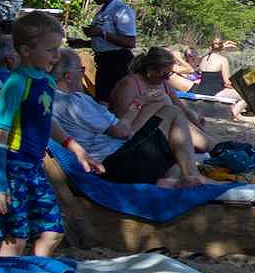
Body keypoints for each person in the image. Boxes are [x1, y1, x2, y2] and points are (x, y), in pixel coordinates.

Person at [0, 11, 99, 257]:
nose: (57, 56)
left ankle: (35, 270)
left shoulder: (46, 82)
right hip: (14, 166)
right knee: (16, 236)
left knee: (53, 230)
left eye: (58, 49)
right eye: (50, 50)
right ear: (25, 50)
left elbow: (47, 123)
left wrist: (75, 147)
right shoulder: (16, 84)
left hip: (35, 167)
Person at [52, 49, 205, 186]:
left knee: (178, 153)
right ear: (68, 76)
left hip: (113, 155)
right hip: (115, 162)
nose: (83, 73)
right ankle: (193, 177)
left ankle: (173, 181)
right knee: (172, 112)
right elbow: (122, 132)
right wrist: (139, 104)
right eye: (81, 69)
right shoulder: (75, 102)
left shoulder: (52, 99)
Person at [108, 48, 214, 154]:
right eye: (165, 75)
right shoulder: (129, 85)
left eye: (169, 75)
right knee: (166, 103)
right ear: (151, 70)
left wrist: (202, 131)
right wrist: (143, 103)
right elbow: (121, 124)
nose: (167, 79)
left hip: (159, 130)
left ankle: (214, 147)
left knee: (191, 115)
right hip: (135, 136)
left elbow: (183, 109)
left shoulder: (162, 83)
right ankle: (215, 148)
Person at [84, 0, 138, 102]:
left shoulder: (122, 10)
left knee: (110, 102)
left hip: (117, 63)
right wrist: (83, 42)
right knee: (102, 99)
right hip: (104, 62)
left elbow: (130, 42)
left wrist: (101, 33)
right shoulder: (104, 10)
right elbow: (105, 41)